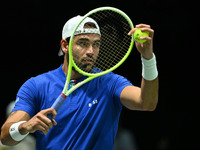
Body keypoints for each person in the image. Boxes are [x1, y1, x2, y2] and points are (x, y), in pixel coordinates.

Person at [1, 15, 159, 150]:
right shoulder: (37, 86)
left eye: (96, 44)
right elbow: (5, 137)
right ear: (65, 45)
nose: (91, 51)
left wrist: (148, 58)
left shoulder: (110, 83)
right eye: (83, 43)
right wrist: (24, 127)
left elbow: (147, 103)